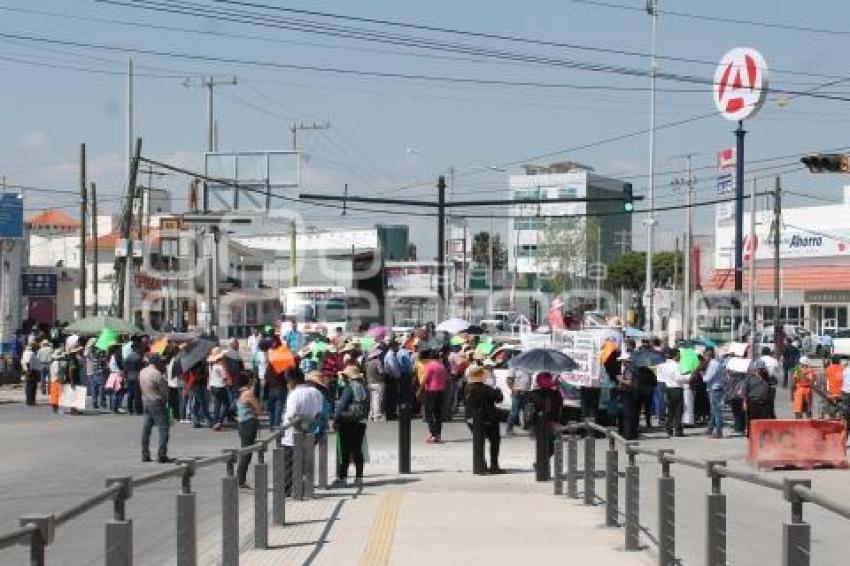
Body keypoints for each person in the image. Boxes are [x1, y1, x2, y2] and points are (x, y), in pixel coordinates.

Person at [282, 369, 324, 494]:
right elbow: (318, 414)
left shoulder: (294, 394)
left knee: (289, 464)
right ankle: (302, 487)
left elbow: (291, 415)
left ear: (292, 381)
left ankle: (289, 490)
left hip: (292, 433)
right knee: (304, 463)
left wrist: (300, 427)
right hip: (310, 432)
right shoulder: (316, 392)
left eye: (288, 381)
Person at [465, 365, 504, 475]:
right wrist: (497, 389)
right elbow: (499, 398)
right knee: (494, 441)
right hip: (489, 419)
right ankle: (494, 465)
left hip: (473, 419)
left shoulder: (468, 389)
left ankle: (481, 464)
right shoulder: (486, 389)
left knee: (479, 442)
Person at [334, 364, 370, 487]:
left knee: (345, 450)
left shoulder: (349, 388)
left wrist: (336, 420)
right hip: (360, 422)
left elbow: (341, 407)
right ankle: (359, 477)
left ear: (348, 377)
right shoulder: (364, 388)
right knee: (357, 450)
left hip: (347, 422)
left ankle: (343, 478)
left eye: (344, 376)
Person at [140, 354, 173, 463]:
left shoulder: (143, 372)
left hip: (146, 401)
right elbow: (165, 391)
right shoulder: (157, 374)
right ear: (157, 363)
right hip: (157, 402)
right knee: (163, 428)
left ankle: (145, 454)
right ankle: (161, 455)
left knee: (146, 429)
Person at [529, 372, 562, 474]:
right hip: (541, 423)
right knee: (545, 446)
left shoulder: (555, 393)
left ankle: (540, 463)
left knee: (551, 447)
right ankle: (542, 467)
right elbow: (531, 409)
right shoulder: (535, 394)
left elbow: (559, 407)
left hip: (550, 422)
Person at [235, 371, 263, 488]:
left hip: (244, 424)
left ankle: (241, 480)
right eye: (253, 378)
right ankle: (240, 481)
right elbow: (259, 409)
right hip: (248, 424)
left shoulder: (241, 392)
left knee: (247, 452)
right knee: (246, 453)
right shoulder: (248, 393)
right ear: (249, 380)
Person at [657, 348, 688, 437]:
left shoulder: (664, 365)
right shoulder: (677, 365)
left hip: (668, 388)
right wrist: (687, 377)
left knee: (670, 410)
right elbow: (678, 378)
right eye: (679, 355)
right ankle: (678, 430)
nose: (680, 356)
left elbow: (661, 378)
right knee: (678, 410)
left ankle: (669, 429)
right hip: (677, 389)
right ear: (675, 355)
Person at [422, 350, 449, 443]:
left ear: (430, 357)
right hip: (441, 391)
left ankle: (433, 434)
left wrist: (419, 390)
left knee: (429, 412)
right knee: (438, 413)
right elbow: (446, 378)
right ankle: (438, 434)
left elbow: (425, 379)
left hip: (431, 391)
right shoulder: (441, 366)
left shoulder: (430, 365)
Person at [744, 360, 773, 437]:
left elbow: (772, 386)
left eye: (762, 369)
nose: (760, 370)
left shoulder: (767, 378)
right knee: (752, 420)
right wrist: (744, 402)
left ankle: (761, 434)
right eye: (759, 368)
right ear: (755, 368)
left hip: (764, 402)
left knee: (763, 420)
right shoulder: (750, 378)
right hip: (752, 401)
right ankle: (751, 435)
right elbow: (745, 391)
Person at [616, 352, 640, 441]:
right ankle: (632, 434)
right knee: (632, 414)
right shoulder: (634, 368)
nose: (622, 362)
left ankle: (628, 434)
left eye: (622, 361)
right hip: (633, 394)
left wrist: (620, 379)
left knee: (627, 415)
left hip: (628, 393)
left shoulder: (629, 369)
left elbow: (629, 382)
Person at [702, 348, 725, 439]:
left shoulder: (713, 364)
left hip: (715, 389)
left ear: (708, 355)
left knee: (716, 411)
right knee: (713, 411)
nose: (704, 358)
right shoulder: (715, 363)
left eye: (705, 356)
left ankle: (719, 432)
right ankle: (710, 429)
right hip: (714, 388)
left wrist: (702, 375)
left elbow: (707, 378)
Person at [207, 347, 230, 430]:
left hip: (213, 386)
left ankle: (215, 422)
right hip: (220, 386)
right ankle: (219, 421)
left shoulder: (212, 365)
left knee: (217, 404)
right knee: (227, 404)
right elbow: (224, 377)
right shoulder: (220, 366)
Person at [505, 365, 532, 436]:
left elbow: (529, 379)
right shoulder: (514, 367)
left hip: (526, 392)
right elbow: (508, 379)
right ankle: (509, 428)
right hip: (517, 392)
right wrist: (512, 389)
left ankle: (528, 428)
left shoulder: (528, 367)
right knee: (514, 412)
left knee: (527, 411)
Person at [124, 341, 144, 415]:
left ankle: (130, 409)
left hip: (129, 377)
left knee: (130, 394)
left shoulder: (127, 357)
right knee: (137, 394)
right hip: (136, 377)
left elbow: (125, 369)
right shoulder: (138, 357)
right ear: (136, 348)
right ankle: (138, 410)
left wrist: (125, 377)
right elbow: (140, 369)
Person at [365, 348, 385, 422]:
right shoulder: (377, 362)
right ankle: (377, 415)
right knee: (378, 399)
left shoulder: (367, 363)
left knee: (372, 399)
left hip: (370, 382)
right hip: (378, 382)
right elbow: (381, 372)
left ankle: (371, 415)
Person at [105, 344, 125, 413]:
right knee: (118, 391)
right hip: (117, 374)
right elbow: (121, 366)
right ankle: (117, 407)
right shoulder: (117, 356)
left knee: (112, 392)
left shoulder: (109, 356)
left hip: (112, 374)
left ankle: (112, 406)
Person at [21, 342, 37, 406]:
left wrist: (25, 370)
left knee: (28, 386)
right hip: (31, 370)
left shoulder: (24, 353)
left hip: (26, 370)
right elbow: (30, 362)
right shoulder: (31, 353)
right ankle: (31, 400)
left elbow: (22, 362)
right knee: (32, 386)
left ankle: (28, 400)